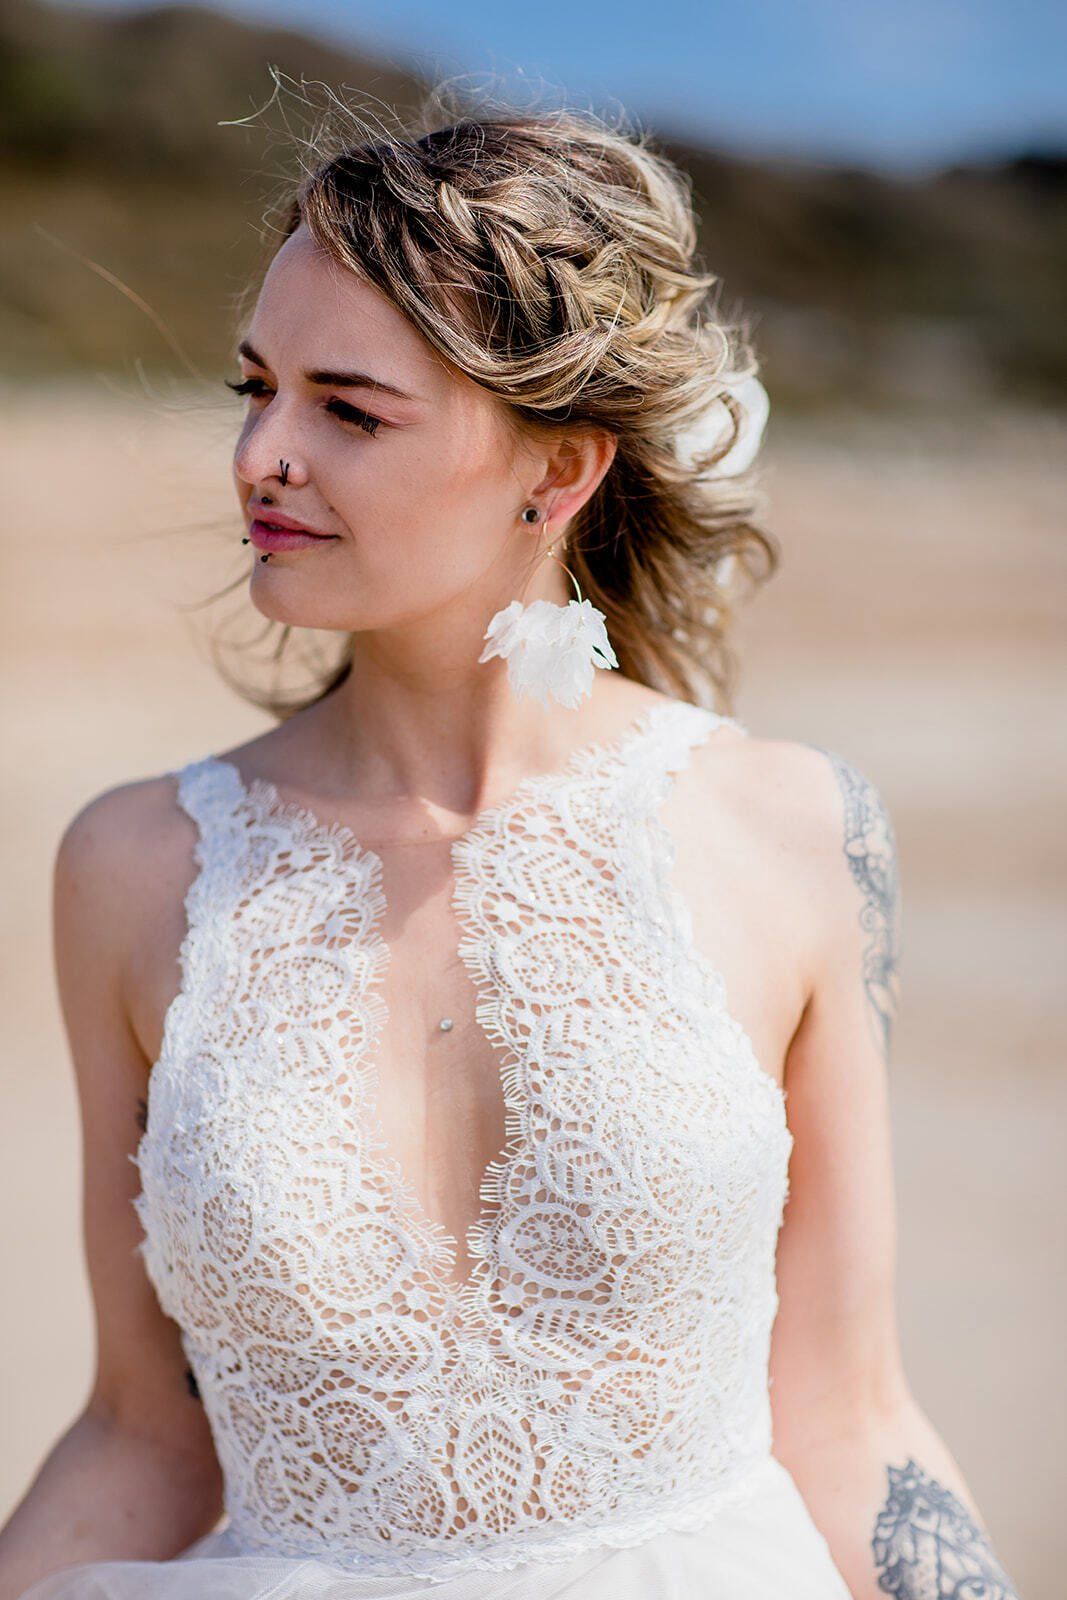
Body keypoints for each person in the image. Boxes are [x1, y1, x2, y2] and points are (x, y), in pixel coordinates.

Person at [0, 95, 1020, 1600]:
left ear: (561, 473)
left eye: (349, 408)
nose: (263, 455)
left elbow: (853, 1412)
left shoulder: (798, 831)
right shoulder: (136, 868)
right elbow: (147, 1436)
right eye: (256, 387)